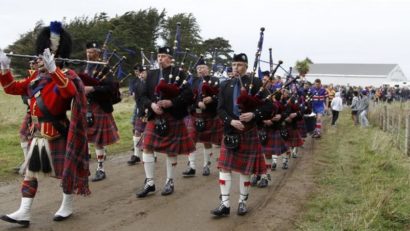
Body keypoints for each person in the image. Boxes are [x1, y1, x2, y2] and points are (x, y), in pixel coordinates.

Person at [0, 21, 89, 227]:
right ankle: (24, 211)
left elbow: (69, 93)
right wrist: (5, 69)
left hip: (57, 131)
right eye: (38, 55)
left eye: (42, 55)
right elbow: (12, 88)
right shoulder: (35, 77)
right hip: (37, 132)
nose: (37, 59)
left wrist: (54, 70)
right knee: (31, 173)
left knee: (64, 173)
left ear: (55, 56)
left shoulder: (67, 76)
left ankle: (67, 205)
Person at [211, 53, 272, 217]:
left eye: (239, 64)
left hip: (248, 131)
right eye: (233, 64)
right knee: (224, 167)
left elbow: (269, 107)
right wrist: (230, 121)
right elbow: (220, 109)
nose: (235, 68)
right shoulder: (225, 85)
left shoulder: (256, 83)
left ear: (246, 66)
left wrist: (254, 114)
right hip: (230, 130)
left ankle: (242, 202)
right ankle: (224, 204)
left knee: (245, 170)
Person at [136, 46, 195, 198]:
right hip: (155, 117)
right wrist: (152, 105)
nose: (160, 58)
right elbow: (141, 96)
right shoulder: (151, 74)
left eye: (164, 56)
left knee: (171, 150)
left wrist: (172, 102)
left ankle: (170, 181)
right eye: (159, 56)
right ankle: (150, 182)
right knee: (147, 148)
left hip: (172, 116)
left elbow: (189, 95)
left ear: (170, 58)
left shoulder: (179, 74)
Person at [80, 41, 120, 182]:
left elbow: (110, 89)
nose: (90, 54)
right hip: (85, 106)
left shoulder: (105, 68)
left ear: (98, 53)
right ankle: (84, 167)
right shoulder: (85, 68)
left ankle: (100, 168)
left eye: (93, 52)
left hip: (99, 106)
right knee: (84, 138)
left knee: (98, 141)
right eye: (88, 52)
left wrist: (92, 89)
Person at [183, 58, 222, 177]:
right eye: (198, 68)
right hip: (195, 114)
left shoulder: (215, 80)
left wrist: (212, 99)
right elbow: (187, 97)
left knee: (207, 142)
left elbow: (221, 96)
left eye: (202, 68)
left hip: (209, 114)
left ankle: (207, 165)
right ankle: (192, 167)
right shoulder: (192, 80)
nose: (200, 70)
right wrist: (196, 104)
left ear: (207, 68)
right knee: (191, 141)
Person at [127, 64, 148, 165]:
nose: (139, 74)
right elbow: (133, 93)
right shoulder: (134, 81)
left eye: (142, 72)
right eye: (138, 72)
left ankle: (151, 154)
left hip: (151, 109)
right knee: (136, 130)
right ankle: (136, 155)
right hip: (140, 108)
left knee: (149, 132)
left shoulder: (151, 82)